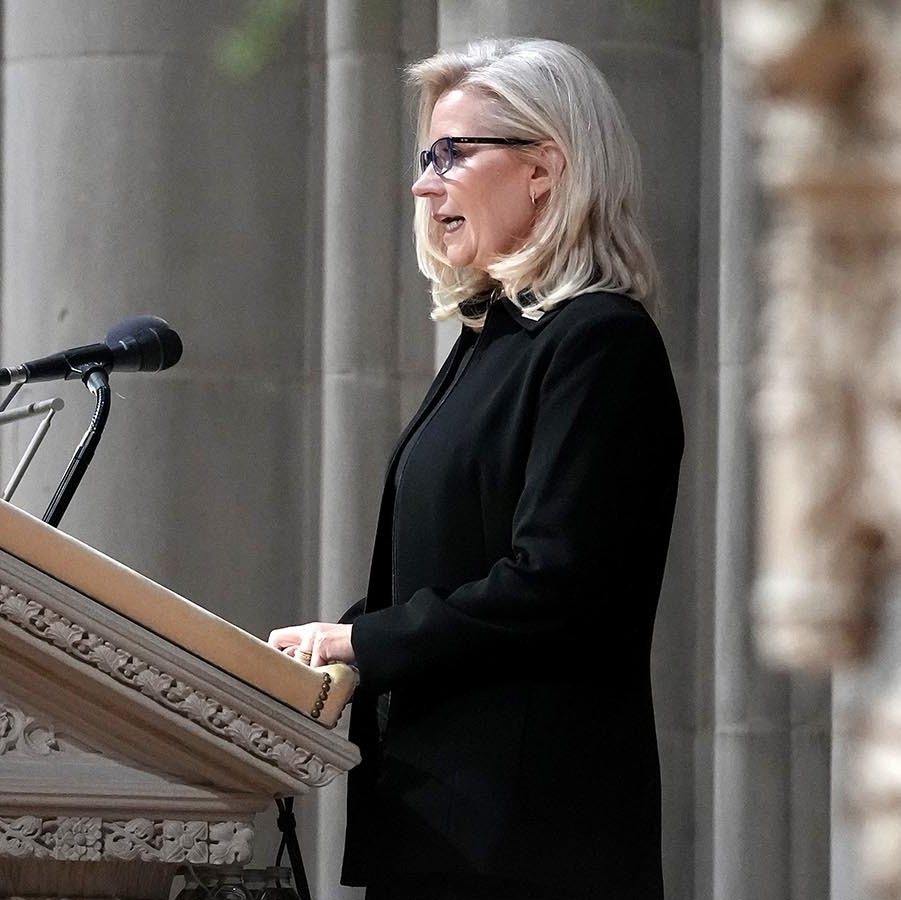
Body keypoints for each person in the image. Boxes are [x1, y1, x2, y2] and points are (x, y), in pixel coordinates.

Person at [268, 38, 683, 900]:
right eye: (426, 157)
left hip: (531, 837)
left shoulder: (598, 343)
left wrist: (362, 642)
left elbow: (557, 583)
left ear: (545, 167)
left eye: (452, 153)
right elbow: (444, 573)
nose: (425, 184)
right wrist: (325, 646)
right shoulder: (491, 339)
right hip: (439, 822)